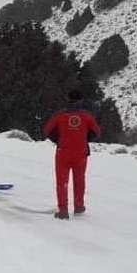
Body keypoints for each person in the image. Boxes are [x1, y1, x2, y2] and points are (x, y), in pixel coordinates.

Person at [43, 89, 101, 220]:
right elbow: (97, 132)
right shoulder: (87, 116)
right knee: (79, 180)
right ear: (81, 101)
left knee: (62, 181)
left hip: (63, 151)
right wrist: (85, 139)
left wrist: (57, 139)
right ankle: (79, 206)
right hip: (81, 153)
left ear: (68, 99)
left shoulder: (60, 115)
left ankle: (63, 210)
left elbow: (47, 130)